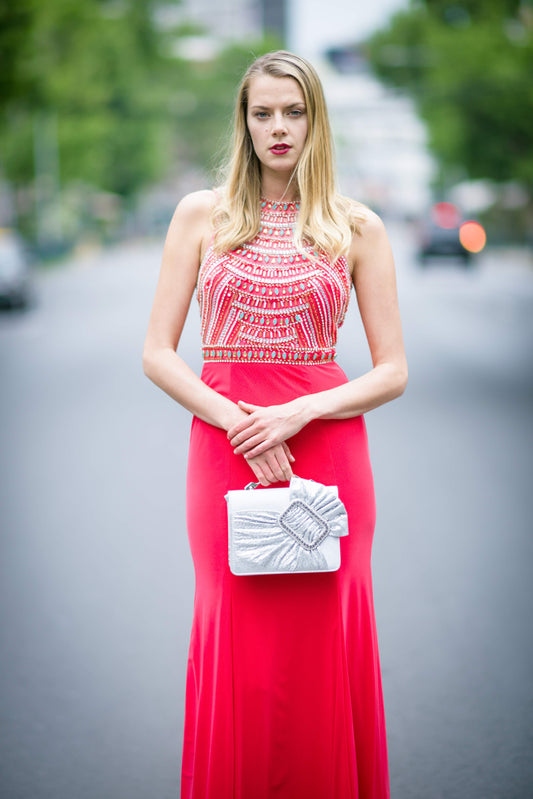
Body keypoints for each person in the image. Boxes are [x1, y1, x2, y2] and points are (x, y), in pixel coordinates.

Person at [143, 50, 407, 799]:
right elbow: (157, 353)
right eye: (263, 113)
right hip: (226, 444)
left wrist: (299, 410)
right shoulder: (203, 213)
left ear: (315, 119)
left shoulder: (357, 226)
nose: (278, 127)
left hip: (325, 445)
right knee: (234, 632)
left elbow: (392, 369)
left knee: (326, 637)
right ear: (244, 121)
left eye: (293, 111)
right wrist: (239, 423)